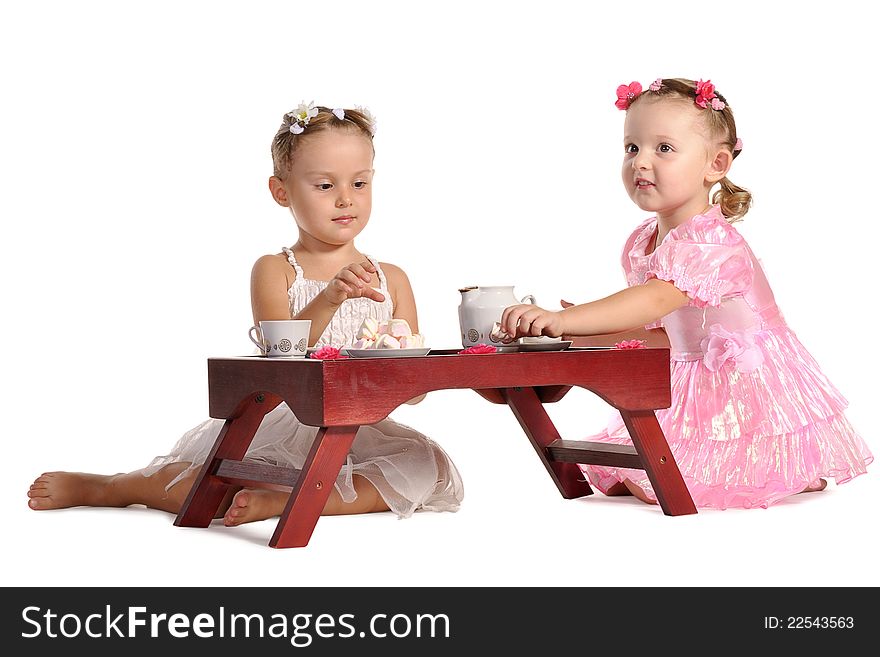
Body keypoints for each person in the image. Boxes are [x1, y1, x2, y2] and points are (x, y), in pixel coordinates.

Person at [28, 103, 464, 524]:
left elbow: (415, 391)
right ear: (282, 191)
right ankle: (114, 488)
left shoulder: (392, 278)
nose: (345, 200)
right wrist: (330, 297)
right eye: (325, 186)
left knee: (428, 468)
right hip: (286, 422)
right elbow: (282, 354)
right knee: (210, 491)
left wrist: (407, 378)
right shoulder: (275, 270)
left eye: (360, 184)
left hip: (362, 430)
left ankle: (285, 500)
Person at [499, 78, 872, 509]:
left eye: (664, 149)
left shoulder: (711, 243)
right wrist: (585, 330)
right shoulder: (643, 242)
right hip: (688, 379)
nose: (640, 163)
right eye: (631, 147)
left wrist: (565, 319)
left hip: (742, 382)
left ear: (715, 164)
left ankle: (784, 467)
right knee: (624, 471)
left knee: (667, 477)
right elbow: (656, 326)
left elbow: (657, 299)